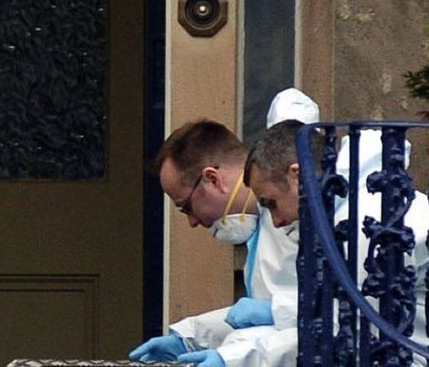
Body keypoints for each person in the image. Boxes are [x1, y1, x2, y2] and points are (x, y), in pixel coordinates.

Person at [246, 120, 429, 366]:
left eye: (271, 203)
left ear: (297, 174)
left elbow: (349, 331)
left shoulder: (366, 220)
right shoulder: (365, 203)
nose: (276, 221)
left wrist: (241, 352)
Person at [130, 88, 320, 366]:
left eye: (187, 207)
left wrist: (230, 359)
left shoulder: (302, 220)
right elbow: (268, 322)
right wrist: (190, 337)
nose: (193, 222)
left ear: (212, 179)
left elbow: (323, 324)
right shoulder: (266, 227)